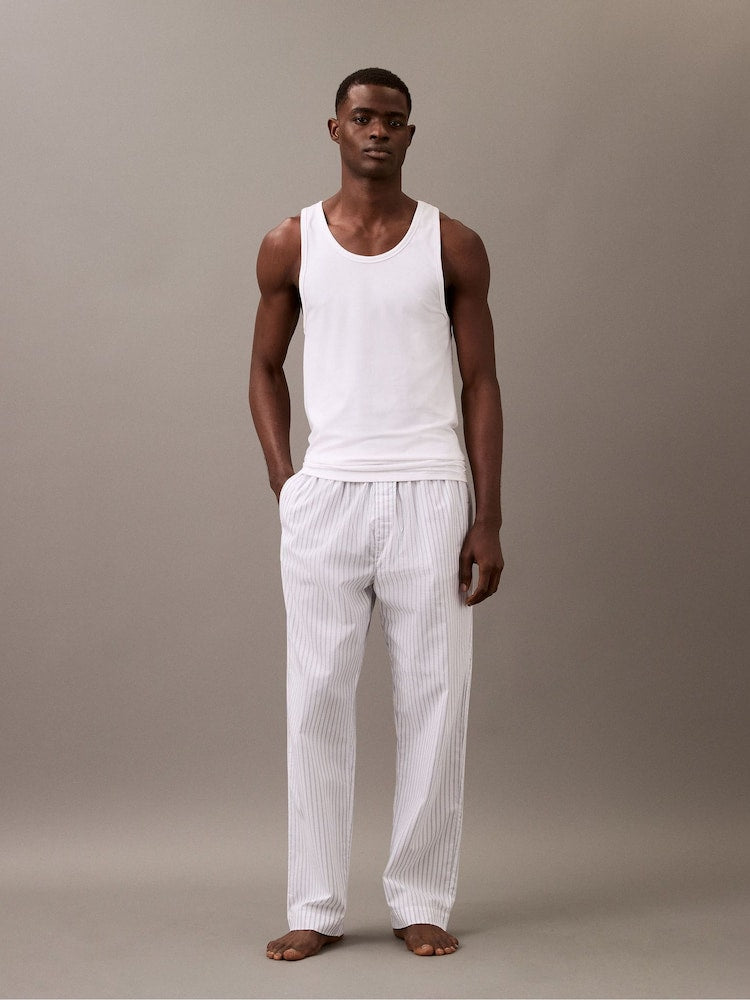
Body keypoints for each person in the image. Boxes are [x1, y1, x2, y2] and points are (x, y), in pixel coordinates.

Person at [249, 67, 504, 961]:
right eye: (362, 117)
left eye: (393, 120)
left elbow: (482, 382)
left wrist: (488, 517)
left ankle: (421, 896)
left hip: (431, 491)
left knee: (436, 697)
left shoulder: (452, 244)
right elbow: (263, 368)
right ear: (335, 127)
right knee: (315, 697)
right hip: (330, 496)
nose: (378, 132)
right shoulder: (290, 243)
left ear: (409, 132)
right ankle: (315, 903)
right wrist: (288, 481)